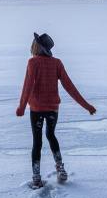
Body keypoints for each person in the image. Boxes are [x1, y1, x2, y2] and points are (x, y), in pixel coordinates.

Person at [16, 32, 96, 188]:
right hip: (53, 108)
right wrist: (87, 106)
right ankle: (60, 169)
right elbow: (69, 87)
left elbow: (27, 86)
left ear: (38, 47)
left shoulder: (33, 62)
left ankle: (36, 177)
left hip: (37, 108)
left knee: (37, 141)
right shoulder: (57, 63)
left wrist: (22, 107)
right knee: (51, 135)